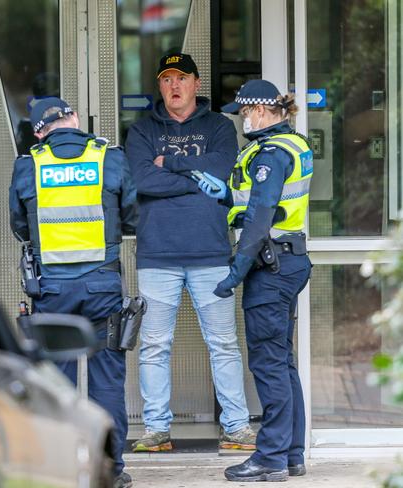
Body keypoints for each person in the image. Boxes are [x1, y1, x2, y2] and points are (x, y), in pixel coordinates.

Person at [125, 52, 256, 452]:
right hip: (157, 254)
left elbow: (221, 168)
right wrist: (194, 177)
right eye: (167, 80)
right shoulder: (142, 130)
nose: (174, 86)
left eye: (182, 78)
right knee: (154, 346)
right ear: (160, 86)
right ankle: (156, 431)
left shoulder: (218, 125)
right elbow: (143, 179)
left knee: (224, 344)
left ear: (196, 83)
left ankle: (236, 428)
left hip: (211, 253)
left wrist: (171, 164)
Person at [9, 97, 137, 487]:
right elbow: (131, 215)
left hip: (52, 290)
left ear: (38, 130)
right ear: (75, 119)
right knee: (107, 382)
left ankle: (61, 471)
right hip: (103, 286)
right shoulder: (109, 158)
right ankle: (110, 471)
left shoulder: (29, 165)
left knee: (55, 384)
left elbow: (19, 226)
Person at [197, 79, 313, 481]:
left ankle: (271, 458)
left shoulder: (270, 154)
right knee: (282, 362)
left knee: (268, 365)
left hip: (271, 268)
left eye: (243, 112)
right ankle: (292, 454)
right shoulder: (293, 144)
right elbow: (263, 203)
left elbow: (262, 217)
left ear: (259, 111)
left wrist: (236, 271)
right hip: (289, 262)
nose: (242, 119)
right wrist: (226, 197)